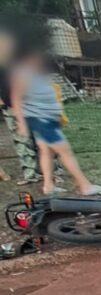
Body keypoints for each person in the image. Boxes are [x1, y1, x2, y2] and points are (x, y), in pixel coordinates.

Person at [10, 49, 101, 195]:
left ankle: (48, 186)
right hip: (42, 120)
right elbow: (16, 99)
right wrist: (21, 123)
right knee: (66, 152)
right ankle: (85, 185)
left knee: (46, 151)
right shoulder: (23, 74)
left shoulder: (35, 73)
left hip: (47, 119)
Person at [0, 29, 63, 185]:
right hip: (10, 105)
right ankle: (30, 174)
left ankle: (52, 172)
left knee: (42, 137)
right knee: (21, 140)